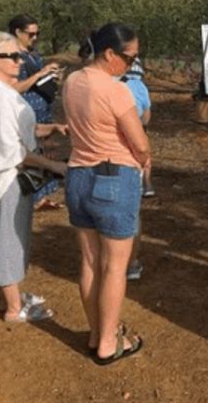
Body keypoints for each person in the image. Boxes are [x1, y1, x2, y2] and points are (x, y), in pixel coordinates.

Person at [0, 31, 68, 323]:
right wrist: (54, 167)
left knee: (14, 237)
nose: (21, 61)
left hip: (11, 177)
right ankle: (13, 309)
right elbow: (11, 150)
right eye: (13, 56)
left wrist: (51, 128)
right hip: (5, 179)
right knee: (7, 239)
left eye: (21, 56)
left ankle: (14, 296)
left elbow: (19, 132)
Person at [62, 23, 150, 365]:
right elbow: (139, 142)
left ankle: (97, 332)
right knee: (115, 267)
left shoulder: (72, 81)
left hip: (78, 176)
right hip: (114, 177)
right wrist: (144, 159)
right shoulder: (116, 91)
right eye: (130, 58)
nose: (131, 65)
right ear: (111, 54)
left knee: (89, 262)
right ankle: (110, 342)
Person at [7, 14, 64, 210]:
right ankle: (30, 198)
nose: (35, 38)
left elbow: (34, 82)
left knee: (47, 153)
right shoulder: (13, 58)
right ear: (18, 32)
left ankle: (41, 197)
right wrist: (40, 74)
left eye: (37, 33)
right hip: (27, 113)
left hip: (42, 110)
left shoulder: (33, 54)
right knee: (31, 154)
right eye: (31, 34)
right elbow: (14, 88)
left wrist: (50, 76)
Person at [120, 57, 152, 282]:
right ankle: (131, 263)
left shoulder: (84, 84)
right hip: (129, 157)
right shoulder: (138, 87)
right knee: (132, 213)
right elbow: (146, 118)